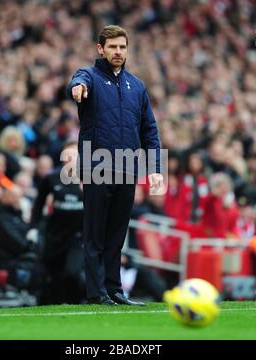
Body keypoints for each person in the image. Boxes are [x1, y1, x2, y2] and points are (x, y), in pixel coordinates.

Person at [67, 25, 163, 306]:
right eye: (112, 47)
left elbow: (150, 130)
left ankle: (115, 290)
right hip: (97, 167)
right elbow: (77, 79)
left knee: (117, 233)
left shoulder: (137, 85)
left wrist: (155, 167)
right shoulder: (90, 78)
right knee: (95, 233)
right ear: (101, 49)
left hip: (129, 168)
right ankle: (97, 293)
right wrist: (77, 87)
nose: (118, 52)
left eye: (122, 47)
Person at [29, 141, 85, 304]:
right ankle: (56, 305)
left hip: (78, 236)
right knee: (53, 273)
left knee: (72, 272)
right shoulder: (52, 179)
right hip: (55, 234)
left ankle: (75, 302)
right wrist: (33, 227)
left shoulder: (91, 180)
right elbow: (39, 203)